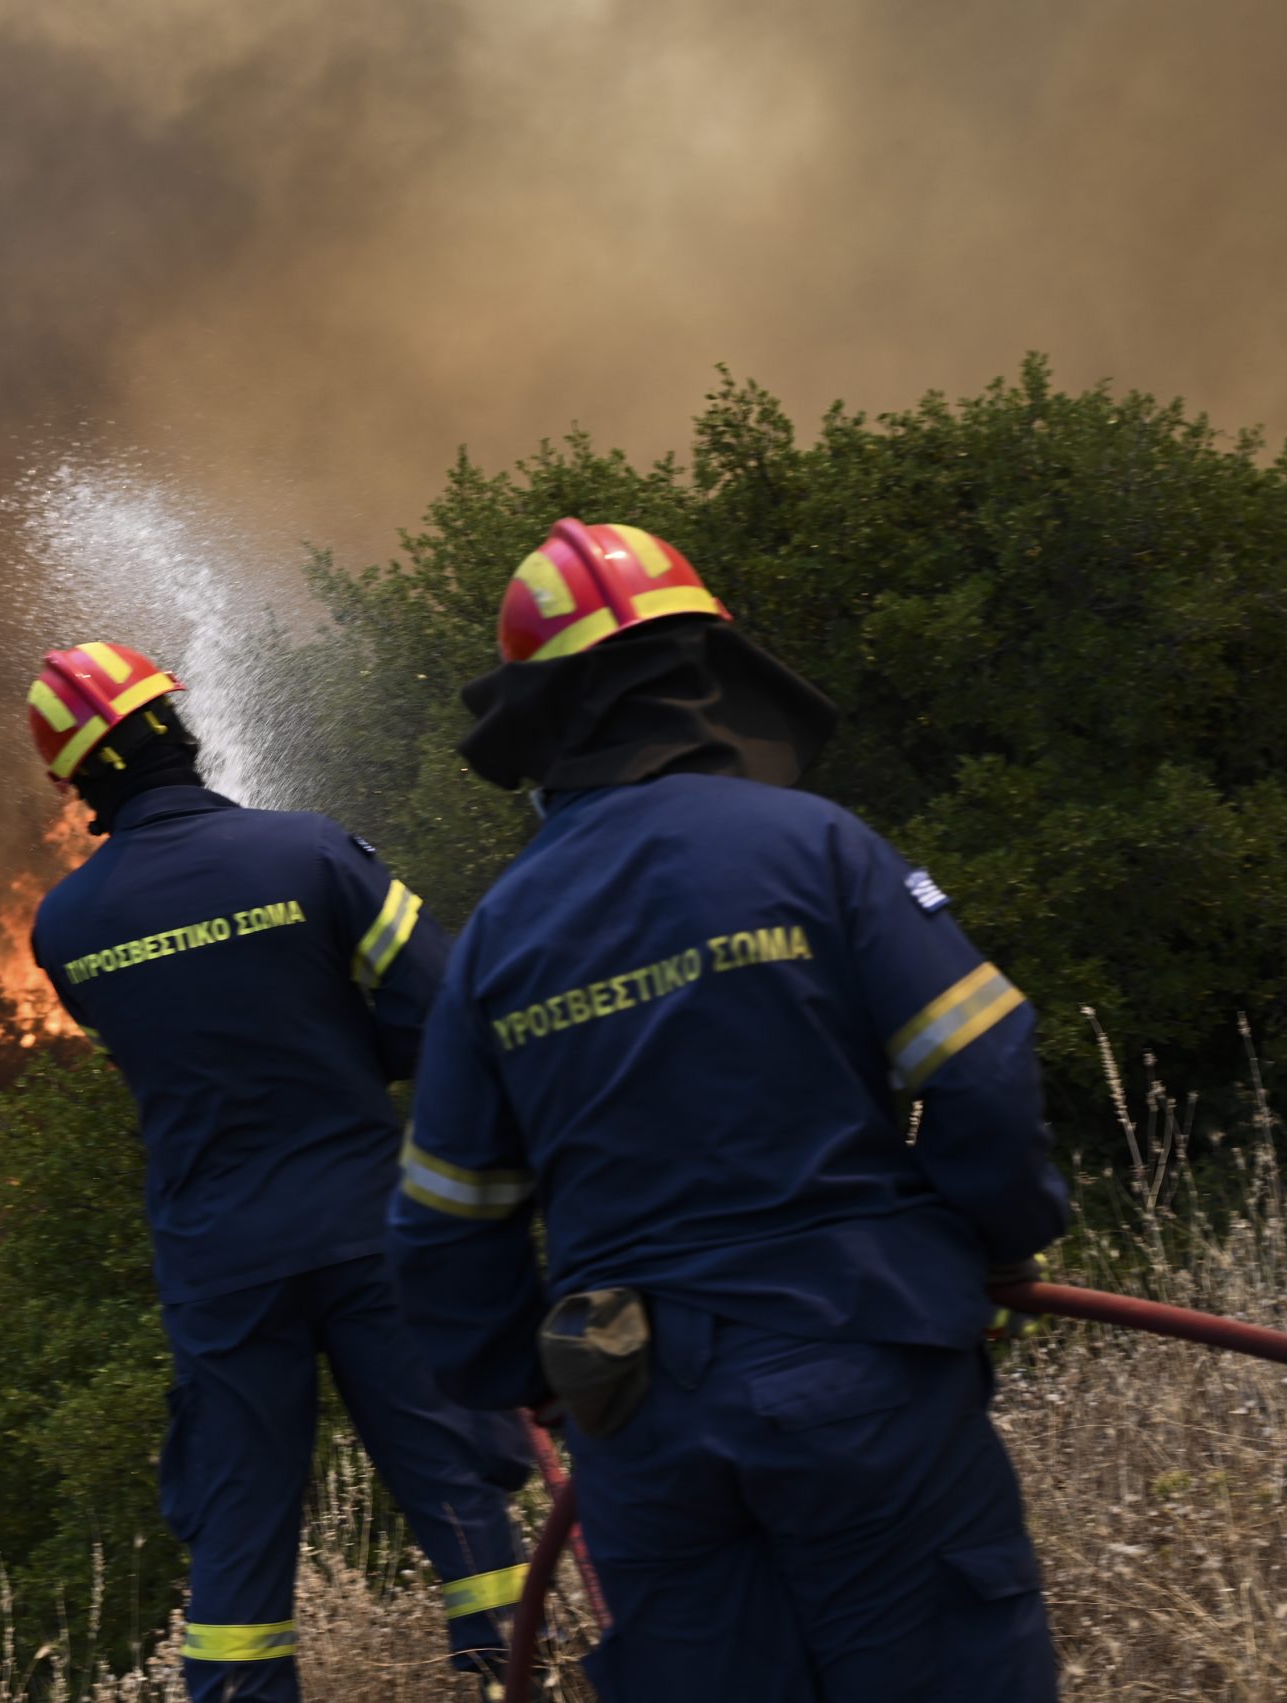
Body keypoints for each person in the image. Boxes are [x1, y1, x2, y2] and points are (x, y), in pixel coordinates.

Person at [386, 519, 1072, 1702]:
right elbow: (978, 1066)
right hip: (864, 1362)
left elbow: (442, 1220)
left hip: (644, 1426)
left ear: (541, 715)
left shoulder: (499, 934)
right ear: (704, 670)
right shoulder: (815, 844)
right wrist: (998, 1244)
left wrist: (536, 1382)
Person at [24, 641, 533, 1700]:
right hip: (365, 1225)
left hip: (219, 1261)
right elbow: (442, 1012)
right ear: (176, 729)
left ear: (77, 782)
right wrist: (343, 1054)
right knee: (457, 1489)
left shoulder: (65, 926)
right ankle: (518, 1676)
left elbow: (162, 1055)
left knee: (237, 1529)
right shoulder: (308, 852)